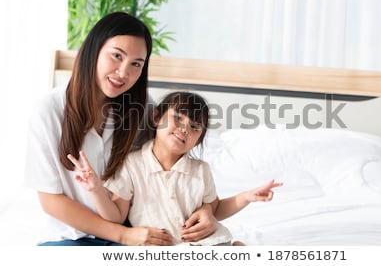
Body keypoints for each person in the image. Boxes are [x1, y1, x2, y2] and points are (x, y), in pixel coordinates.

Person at [23, 12, 217, 246]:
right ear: (93, 50)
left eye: (136, 64)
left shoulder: (145, 109)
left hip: (136, 236)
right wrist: (122, 235)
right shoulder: (49, 111)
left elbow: (177, 168)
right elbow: (51, 200)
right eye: (116, 56)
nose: (124, 73)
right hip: (72, 236)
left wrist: (208, 209)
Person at [69, 91, 283, 245]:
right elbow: (116, 216)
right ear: (156, 118)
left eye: (194, 127)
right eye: (178, 118)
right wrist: (96, 189)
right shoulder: (132, 165)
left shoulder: (200, 170)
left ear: (198, 140)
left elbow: (216, 210)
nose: (184, 129)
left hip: (208, 245)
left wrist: (247, 197)